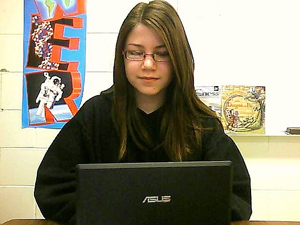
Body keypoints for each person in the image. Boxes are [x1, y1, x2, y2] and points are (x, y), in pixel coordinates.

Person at [34, 0, 252, 224]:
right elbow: (51, 189)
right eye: (136, 53)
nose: (148, 64)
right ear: (122, 56)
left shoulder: (201, 123)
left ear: (179, 58)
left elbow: (237, 199)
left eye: (163, 53)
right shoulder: (94, 115)